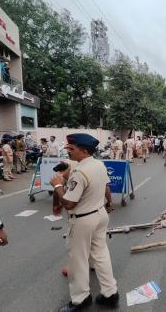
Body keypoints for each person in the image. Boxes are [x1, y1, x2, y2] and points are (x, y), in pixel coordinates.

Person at [50, 133, 118, 311]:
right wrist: (110, 203)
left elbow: (70, 204)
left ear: (84, 151)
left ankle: (80, 299)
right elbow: (105, 187)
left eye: (72, 149)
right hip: (100, 214)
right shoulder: (99, 164)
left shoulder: (80, 172)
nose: (68, 151)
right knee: (101, 254)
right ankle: (110, 294)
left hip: (82, 220)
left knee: (77, 260)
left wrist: (57, 186)